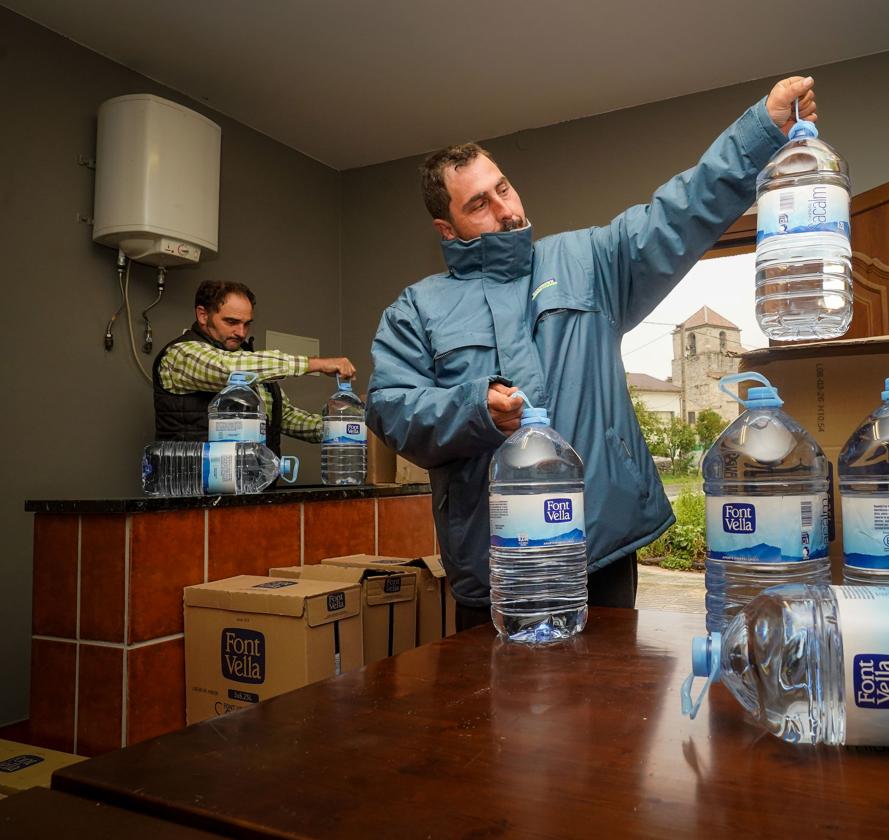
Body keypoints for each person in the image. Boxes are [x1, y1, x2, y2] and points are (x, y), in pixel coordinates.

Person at [367, 77, 818, 630]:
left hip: (599, 546)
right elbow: (391, 407)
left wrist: (761, 134)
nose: (505, 210)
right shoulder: (416, 309)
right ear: (447, 226)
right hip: (497, 565)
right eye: (479, 203)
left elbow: (681, 210)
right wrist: (475, 410)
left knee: (610, 707)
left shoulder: (589, 261)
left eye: (503, 188)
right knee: (496, 713)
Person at [154, 279, 356, 455]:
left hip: (250, 485)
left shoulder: (248, 360)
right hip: (196, 488)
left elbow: (283, 416)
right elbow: (227, 368)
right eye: (231, 322)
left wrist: (341, 428)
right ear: (203, 315)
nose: (241, 333)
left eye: (246, 324)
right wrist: (315, 364)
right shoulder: (180, 354)